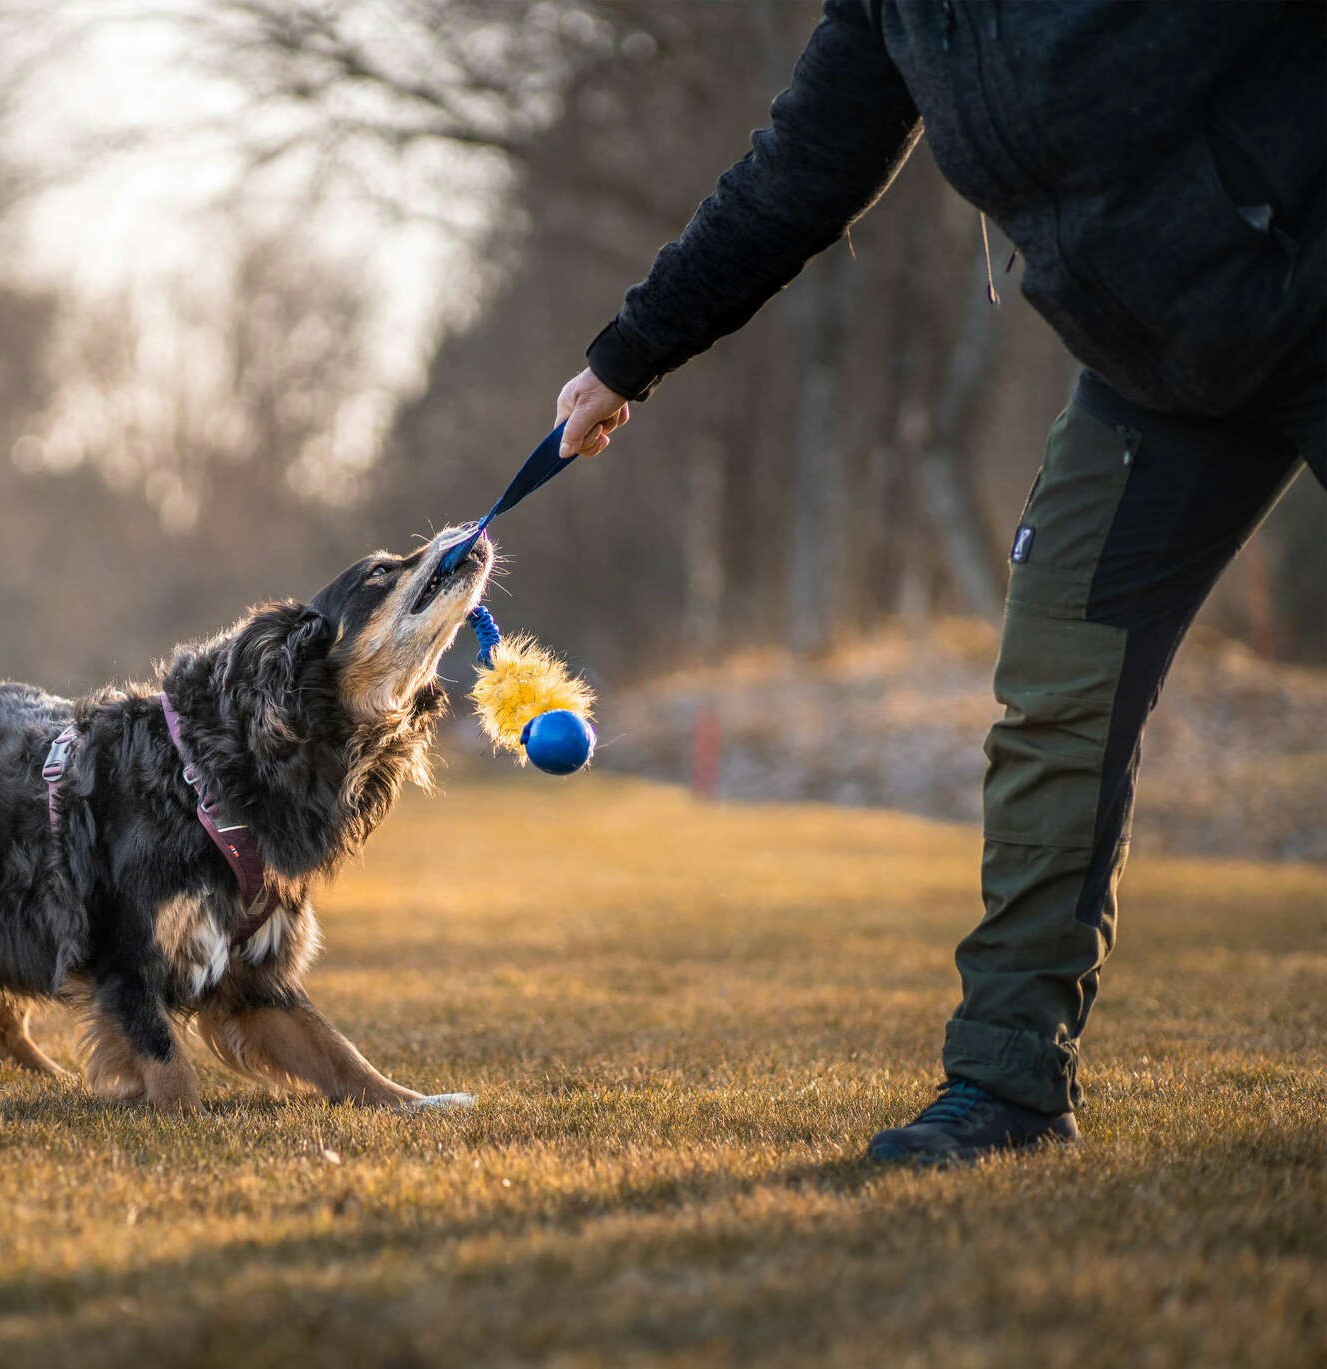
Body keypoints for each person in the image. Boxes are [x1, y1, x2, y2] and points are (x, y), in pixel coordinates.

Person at [554, 0, 1324, 1164]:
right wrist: (625, 357)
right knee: (1052, 704)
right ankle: (1006, 1084)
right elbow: (790, 180)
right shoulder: (897, 13)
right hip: (1155, 379)